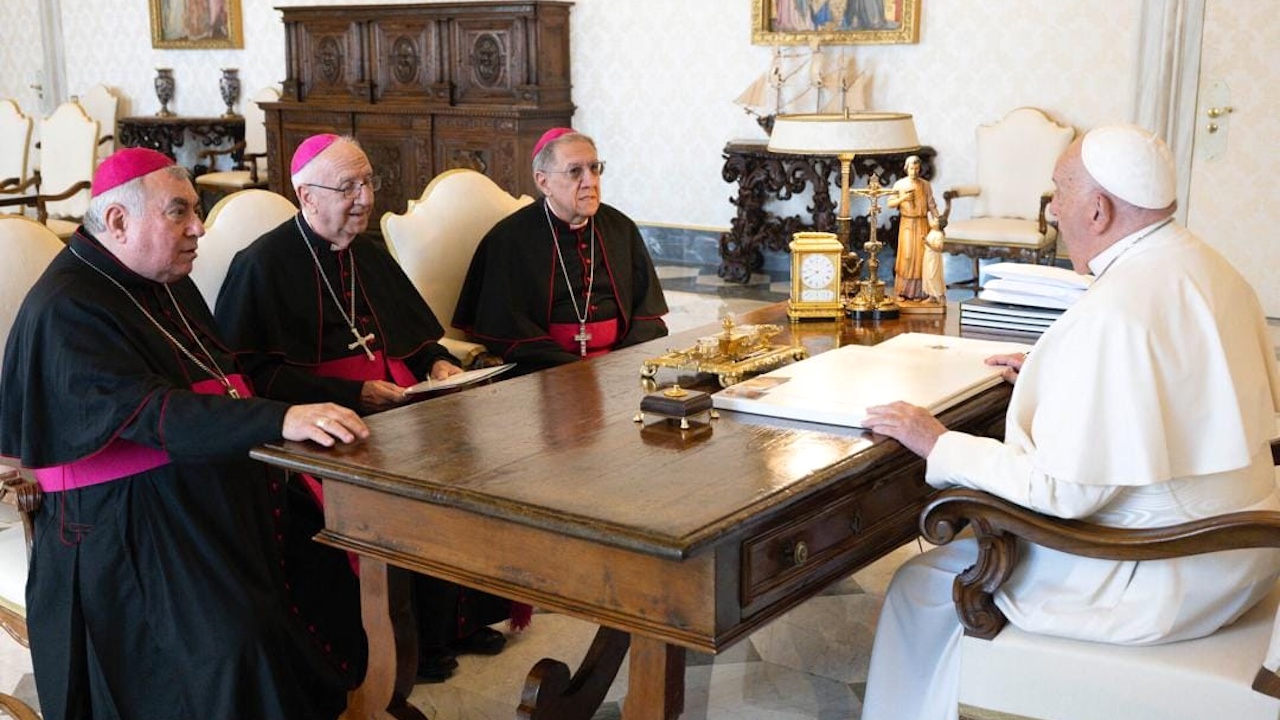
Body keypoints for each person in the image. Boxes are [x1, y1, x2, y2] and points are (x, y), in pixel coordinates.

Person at [860, 124, 1280, 720]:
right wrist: (1058, 374)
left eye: (1059, 191)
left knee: (921, 585)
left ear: (1100, 209)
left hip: (1158, 576)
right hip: (1239, 556)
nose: (1052, 208)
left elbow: (1063, 492)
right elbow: (1185, 384)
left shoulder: (1116, 312)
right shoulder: (1208, 267)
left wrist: (938, 442)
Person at [0, 147, 373, 720]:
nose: (199, 227)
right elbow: (151, 413)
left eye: (196, 210)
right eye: (180, 212)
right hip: (123, 526)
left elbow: (221, 380)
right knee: (235, 641)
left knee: (328, 564)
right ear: (119, 221)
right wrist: (279, 417)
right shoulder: (67, 305)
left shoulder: (163, 277)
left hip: (197, 488)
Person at [214, 133, 516, 683]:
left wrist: (438, 364)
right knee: (396, 489)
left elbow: (416, 336)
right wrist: (356, 395)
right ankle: (406, 636)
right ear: (306, 195)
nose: (364, 197)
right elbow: (252, 374)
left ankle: (458, 617)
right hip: (323, 418)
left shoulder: (368, 254)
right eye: (348, 186)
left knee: (468, 462)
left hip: (401, 402)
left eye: (368, 182)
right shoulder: (261, 265)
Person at [453, 127, 669, 374]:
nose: (590, 181)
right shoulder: (510, 239)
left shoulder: (620, 228)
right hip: (546, 373)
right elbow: (507, 330)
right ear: (543, 182)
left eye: (595, 168)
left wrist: (622, 364)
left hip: (619, 368)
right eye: (575, 171)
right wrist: (575, 370)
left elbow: (647, 313)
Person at [886, 154, 938, 303]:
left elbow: (931, 203)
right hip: (907, 223)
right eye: (911, 168)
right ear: (906, 168)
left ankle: (920, 292)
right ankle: (902, 291)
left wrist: (937, 219)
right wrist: (903, 199)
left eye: (916, 168)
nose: (914, 171)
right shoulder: (900, 184)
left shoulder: (925, 185)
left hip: (922, 223)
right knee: (907, 256)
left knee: (921, 256)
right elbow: (891, 203)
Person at [921, 217, 946, 303]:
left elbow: (939, 248)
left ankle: (940, 295)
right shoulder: (932, 232)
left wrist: (927, 243)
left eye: (935, 221)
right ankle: (931, 296)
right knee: (927, 275)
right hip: (928, 255)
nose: (932, 222)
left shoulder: (939, 235)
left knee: (933, 276)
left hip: (934, 256)